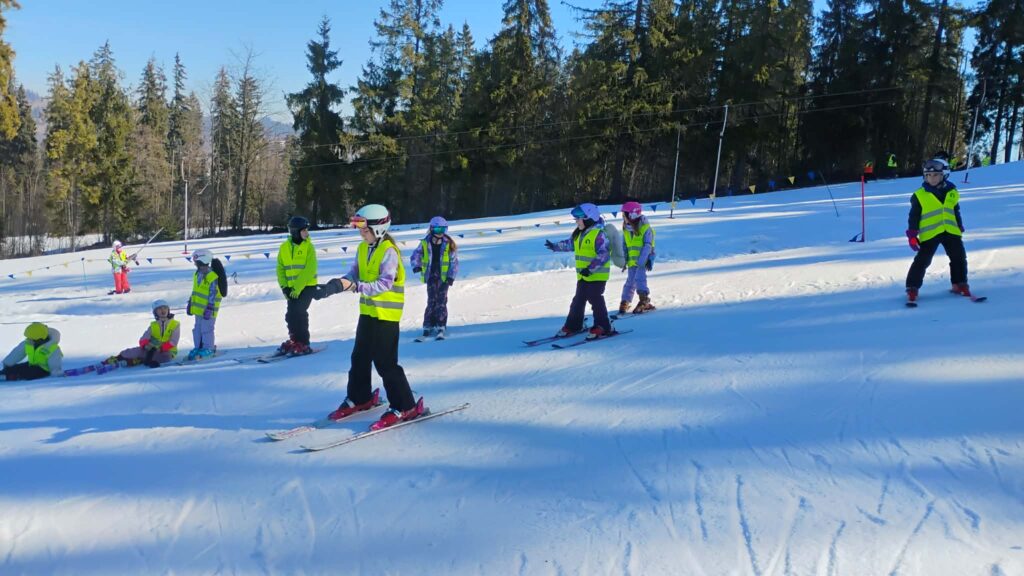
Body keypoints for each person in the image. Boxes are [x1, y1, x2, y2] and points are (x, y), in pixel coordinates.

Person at [316, 204, 424, 430]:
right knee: (360, 357)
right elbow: (354, 274)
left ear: (379, 229)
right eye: (359, 229)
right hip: (368, 313)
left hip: (386, 315)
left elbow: (385, 283)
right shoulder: (363, 248)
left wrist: (356, 287)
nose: (361, 234)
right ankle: (360, 397)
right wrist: (336, 285)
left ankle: (405, 405)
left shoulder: (389, 251)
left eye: (364, 230)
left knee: (385, 363)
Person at [905, 157, 972, 303]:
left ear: (944, 175)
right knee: (922, 260)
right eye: (928, 175)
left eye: (935, 175)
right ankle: (912, 287)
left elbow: (955, 210)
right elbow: (914, 216)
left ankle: (959, 283)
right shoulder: (919, 195)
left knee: (959, 257)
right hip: (931, 233)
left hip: (951, 231)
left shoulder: (952, 192)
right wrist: (912, 234)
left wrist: (959, 224)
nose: (932, 178)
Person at [544, 203, 614, 339]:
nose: (576, 221)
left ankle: (603, 326)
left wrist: (590, 269)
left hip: (597, 276)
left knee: (595, 299)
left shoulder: (599, 234)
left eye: (578, 219)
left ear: (588, 218)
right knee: (578, 300)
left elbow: (604, 255)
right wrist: (555, 246)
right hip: (583, 276)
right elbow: (570, 244)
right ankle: (574, 325)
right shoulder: (579, 234)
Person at [411, 216, 459, 340]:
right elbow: (415, 254)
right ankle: (428, 325)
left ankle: (441, 325)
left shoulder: (448, 243)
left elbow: (454, 262)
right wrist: (417, 265)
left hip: (444, 277)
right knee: (431, 299)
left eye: (443, 229)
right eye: (437, 229)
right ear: (432, 229)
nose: (440, 232)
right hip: (431, 275)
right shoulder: (425, 243)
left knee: (441, 300)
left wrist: (451, 276)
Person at [276, 215, 318, 355]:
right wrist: (285, 287)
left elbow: (310, 269)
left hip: (306, 287)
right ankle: (294, 340)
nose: (307, 233)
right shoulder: (284, 248)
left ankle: (304, 343)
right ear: (295, 231)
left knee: (299, 312)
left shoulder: (309, 247)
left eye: (307, 230)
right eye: (304, 230)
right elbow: (280, 269)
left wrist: (297, 288)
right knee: (290, 315)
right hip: (291, 289)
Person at [107, 299, 181, 368]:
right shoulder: (154, 325)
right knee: (136, 351)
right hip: (152, 350)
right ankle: (118, 358)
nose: (163, 310)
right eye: (159, 309)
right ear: (155, 312)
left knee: (165, 358)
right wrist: (146, 345)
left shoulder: (175, 324)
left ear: (168, 310)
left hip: (168, 352)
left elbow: (173, 342)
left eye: (165, 308)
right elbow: (143, 339)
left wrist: (160, 349)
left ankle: (140, 360)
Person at [185, 248, 227, 360]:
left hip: (208, 310)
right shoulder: (197, 274)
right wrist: (190, 303)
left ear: (202, 261)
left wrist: (210, 307)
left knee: (207, 329)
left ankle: (209, 348)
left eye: (196, 262)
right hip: (198, 309)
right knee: (197, 329)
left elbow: (213, 293)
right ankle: (198, 347)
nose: (195, 264)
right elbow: (195, 290)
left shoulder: (212, 276)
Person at [617, 201, 656, 315]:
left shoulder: (645, 228)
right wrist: (625, 260)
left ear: (632, 215)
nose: (623, 217)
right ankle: (625, 301)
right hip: (631, 261)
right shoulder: (626, 229)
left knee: (640, 280)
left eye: (624, 214)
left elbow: (648, 245)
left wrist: (643, 261)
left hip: (642, 261)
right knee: (630, 281)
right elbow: (625, 246)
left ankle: (644, 300)